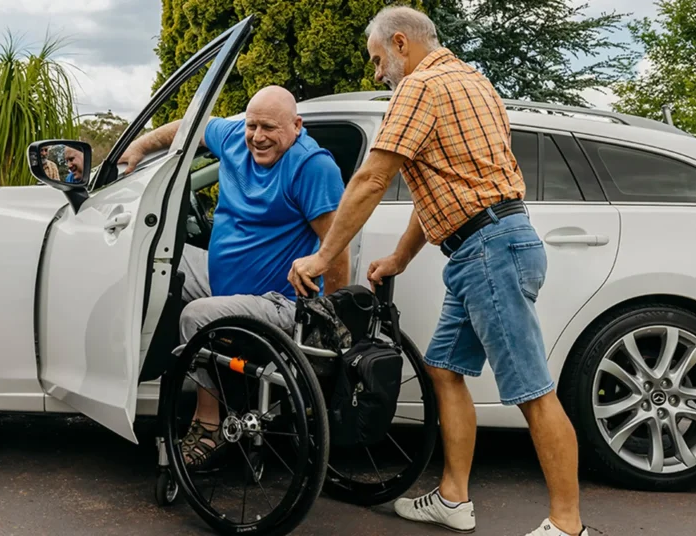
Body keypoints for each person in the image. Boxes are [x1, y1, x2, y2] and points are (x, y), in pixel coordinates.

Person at [287, 6, 588, 536]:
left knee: (533, 391)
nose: (378, 74)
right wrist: (401, 258)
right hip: (485, 246)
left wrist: (322, 255)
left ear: (401, 43)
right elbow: (450, 186)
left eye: (378, 60)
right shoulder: (475, 82)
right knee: (444, 369)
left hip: (489, 252)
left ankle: (567, 525)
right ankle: (453, 498)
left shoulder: (420, 87)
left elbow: (373, 177)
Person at [118, 85, 350, 468]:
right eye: (252, 125)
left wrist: (333, 317)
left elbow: (337, 247)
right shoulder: (233, 138)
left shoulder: (312, 166)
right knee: (151, 259)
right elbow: (190, 126)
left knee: (196, 315)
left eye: (270, 128)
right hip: (222, 279)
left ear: (296, 126)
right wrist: (141, 147)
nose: (258, 137)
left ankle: (209, 424)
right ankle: (128, 374)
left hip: (278, 301)